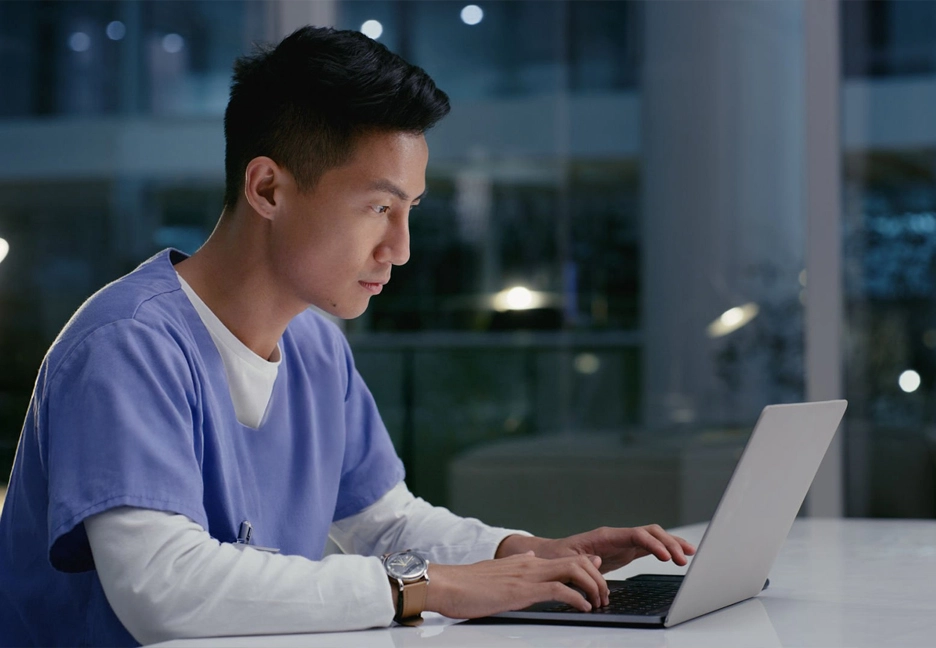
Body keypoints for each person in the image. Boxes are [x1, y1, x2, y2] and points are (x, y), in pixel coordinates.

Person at [0, 26, 694, 647]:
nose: (401, 247)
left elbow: (383, 524)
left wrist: (522, 554)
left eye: (411, 210)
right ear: (268, 189)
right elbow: (162, 587)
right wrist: (431, 588)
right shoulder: (127, 345)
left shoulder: (317, 345)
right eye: (378, 207)